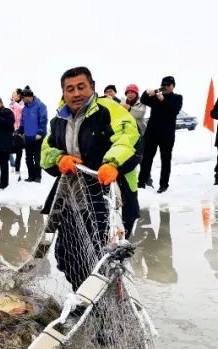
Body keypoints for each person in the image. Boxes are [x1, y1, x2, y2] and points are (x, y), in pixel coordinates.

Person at [39, 66, 140, 293]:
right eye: (70, 89)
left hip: (108, 197)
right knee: (66, 256)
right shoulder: (58, 120)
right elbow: (45, 151)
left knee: (102, 261)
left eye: (81, 87)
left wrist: (113, 162)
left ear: (92, 87)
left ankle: (106, 306)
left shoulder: (109, 110)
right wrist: (59, 159)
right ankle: (83, 298)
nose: (76, 93)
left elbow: (129, 138)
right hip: (72, 199)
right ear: (63, 93)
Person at [139, 76, 183, 193]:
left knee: (165, 160)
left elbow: (174, 110)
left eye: (169, 85)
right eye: (164, 85)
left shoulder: (177, 98)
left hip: (167, 135)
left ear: (173, 86)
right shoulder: (155, 98)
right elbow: (143, 100)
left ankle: (164, 185)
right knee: (147, 159)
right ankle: (141, 183)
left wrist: (163, 99)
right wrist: (148, 92)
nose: (166, 87)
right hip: (152, 133)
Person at [20, 86, 49, 182]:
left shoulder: (40, 105)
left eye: (23, 98)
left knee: (37, 158)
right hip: (27, 137)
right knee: (28, 159)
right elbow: (22, 122)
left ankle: (37, 177)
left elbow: (43, 119)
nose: (22, 99)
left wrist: (40, 132)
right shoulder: (24, 109)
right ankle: (30, 176)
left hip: (38, 137)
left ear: (28, 96)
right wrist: (20, 130)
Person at [10, 88, 25, 173]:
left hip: (20, 130)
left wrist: (14, 103)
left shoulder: (22, 104)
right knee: (7, 149)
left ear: (19, 95)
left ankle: (17, 168)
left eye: (14, 93)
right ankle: (13, 165)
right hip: (12, 130)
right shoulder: (12, 105)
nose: (12, 95)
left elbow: (21, 109)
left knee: (19, 151)